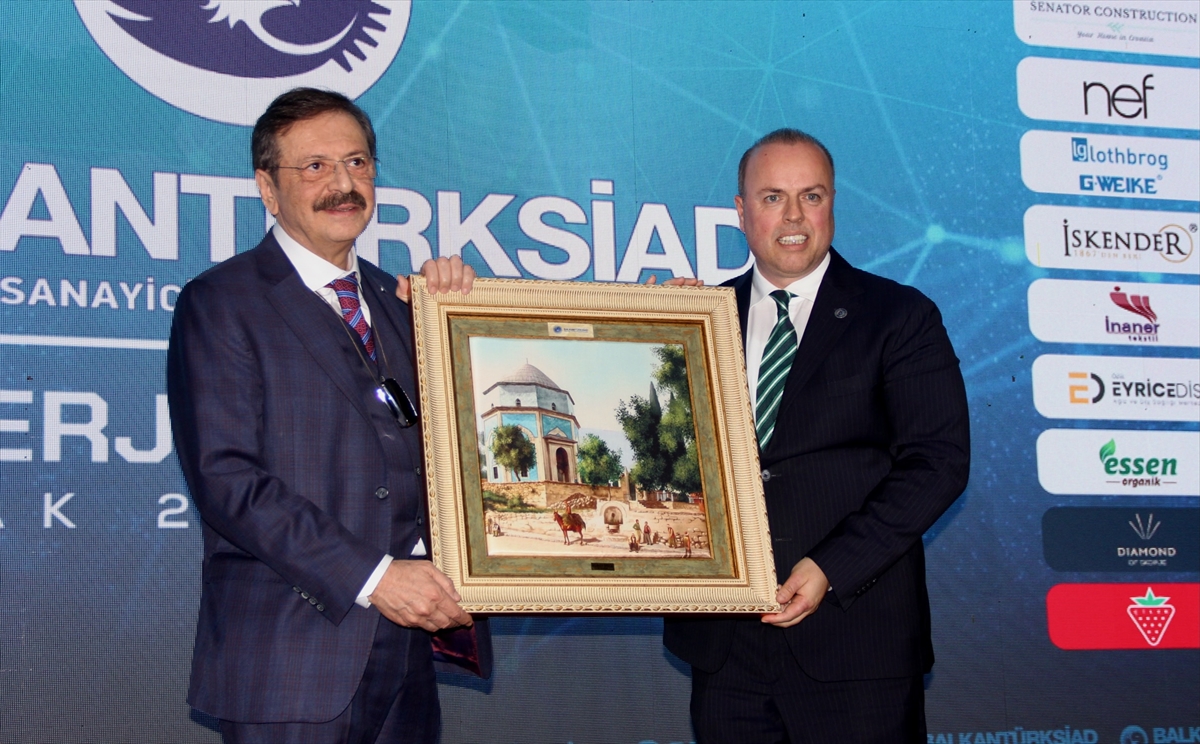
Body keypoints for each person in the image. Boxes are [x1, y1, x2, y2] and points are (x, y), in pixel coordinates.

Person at [168, 87, 476, 744]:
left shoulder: (405, 306)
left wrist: (460, 321)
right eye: (315, 167)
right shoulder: (221, 302)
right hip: (289, 658)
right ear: (268, 188)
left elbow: (461, 451)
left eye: (357, 163)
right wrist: (376, 577)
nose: (343, 184)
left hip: (407, 658)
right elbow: (227, 480)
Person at [663, 128, 970, 742]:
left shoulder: (900, 315)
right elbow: (668, 457)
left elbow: (938, 463)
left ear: (832, 203)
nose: (794, 216)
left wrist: (832, 565)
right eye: (773, 197)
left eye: (812, 195)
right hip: (726, 653)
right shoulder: (699, 319)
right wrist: (654, 339)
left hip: (855, 643)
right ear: (741, 211)